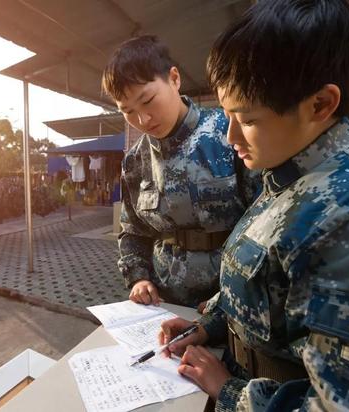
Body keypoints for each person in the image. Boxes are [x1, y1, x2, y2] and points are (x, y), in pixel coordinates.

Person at [159, 0, 349, 410]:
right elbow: (273, 291)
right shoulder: (294, 173)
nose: (230, 136)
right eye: (226, 115)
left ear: (320, 104)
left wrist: (230, 392)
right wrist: (211, 325)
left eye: (246, 119)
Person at [102, 35, 260, 309]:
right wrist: (138, 279)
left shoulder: (230, 132)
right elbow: (132, 232)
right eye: (127, 111)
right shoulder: (135, 161)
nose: (143, 119)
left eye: (148, 100)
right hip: (165, 303)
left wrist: (229, 300)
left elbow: (263, 220)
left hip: (233, 299)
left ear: (174, 79)